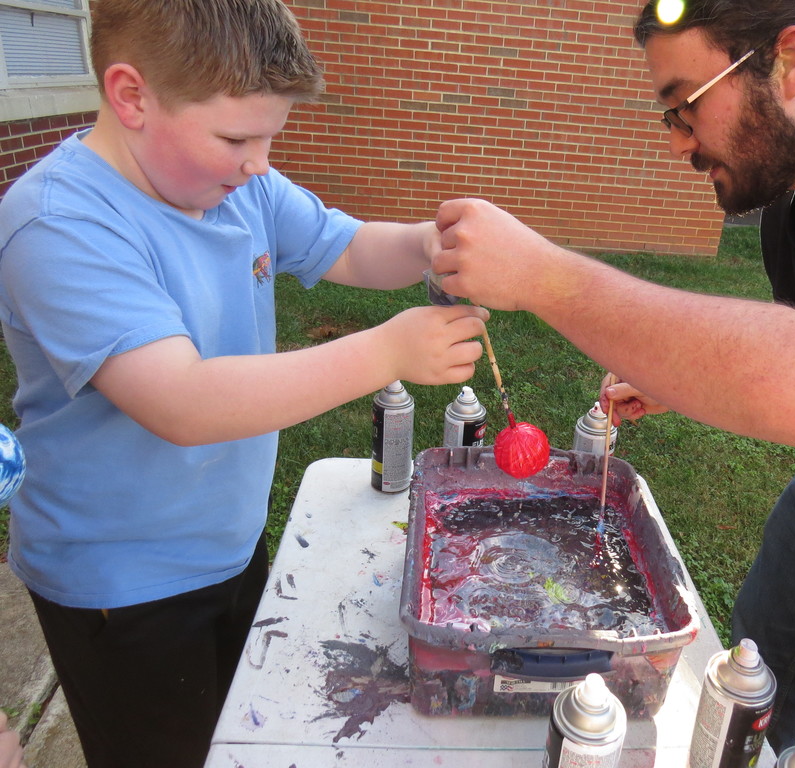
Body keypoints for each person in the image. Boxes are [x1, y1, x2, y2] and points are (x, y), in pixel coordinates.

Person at [431, 0, 795, 765]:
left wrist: (547, 278)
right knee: (739, 697)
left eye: (686, 103)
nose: (679, 140)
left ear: (789, 58)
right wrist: (691, 376)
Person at [0, 1, 487, 767]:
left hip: (227, 539)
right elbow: (182, 401)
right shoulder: (58, 224)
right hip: (120, 587)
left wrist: (434, 246)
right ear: (130, 96)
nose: (259, 161)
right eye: (236, 137)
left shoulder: (239, 186)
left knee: (234, 740)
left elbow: (351, 248)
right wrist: (385, 351)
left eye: (269, 138)